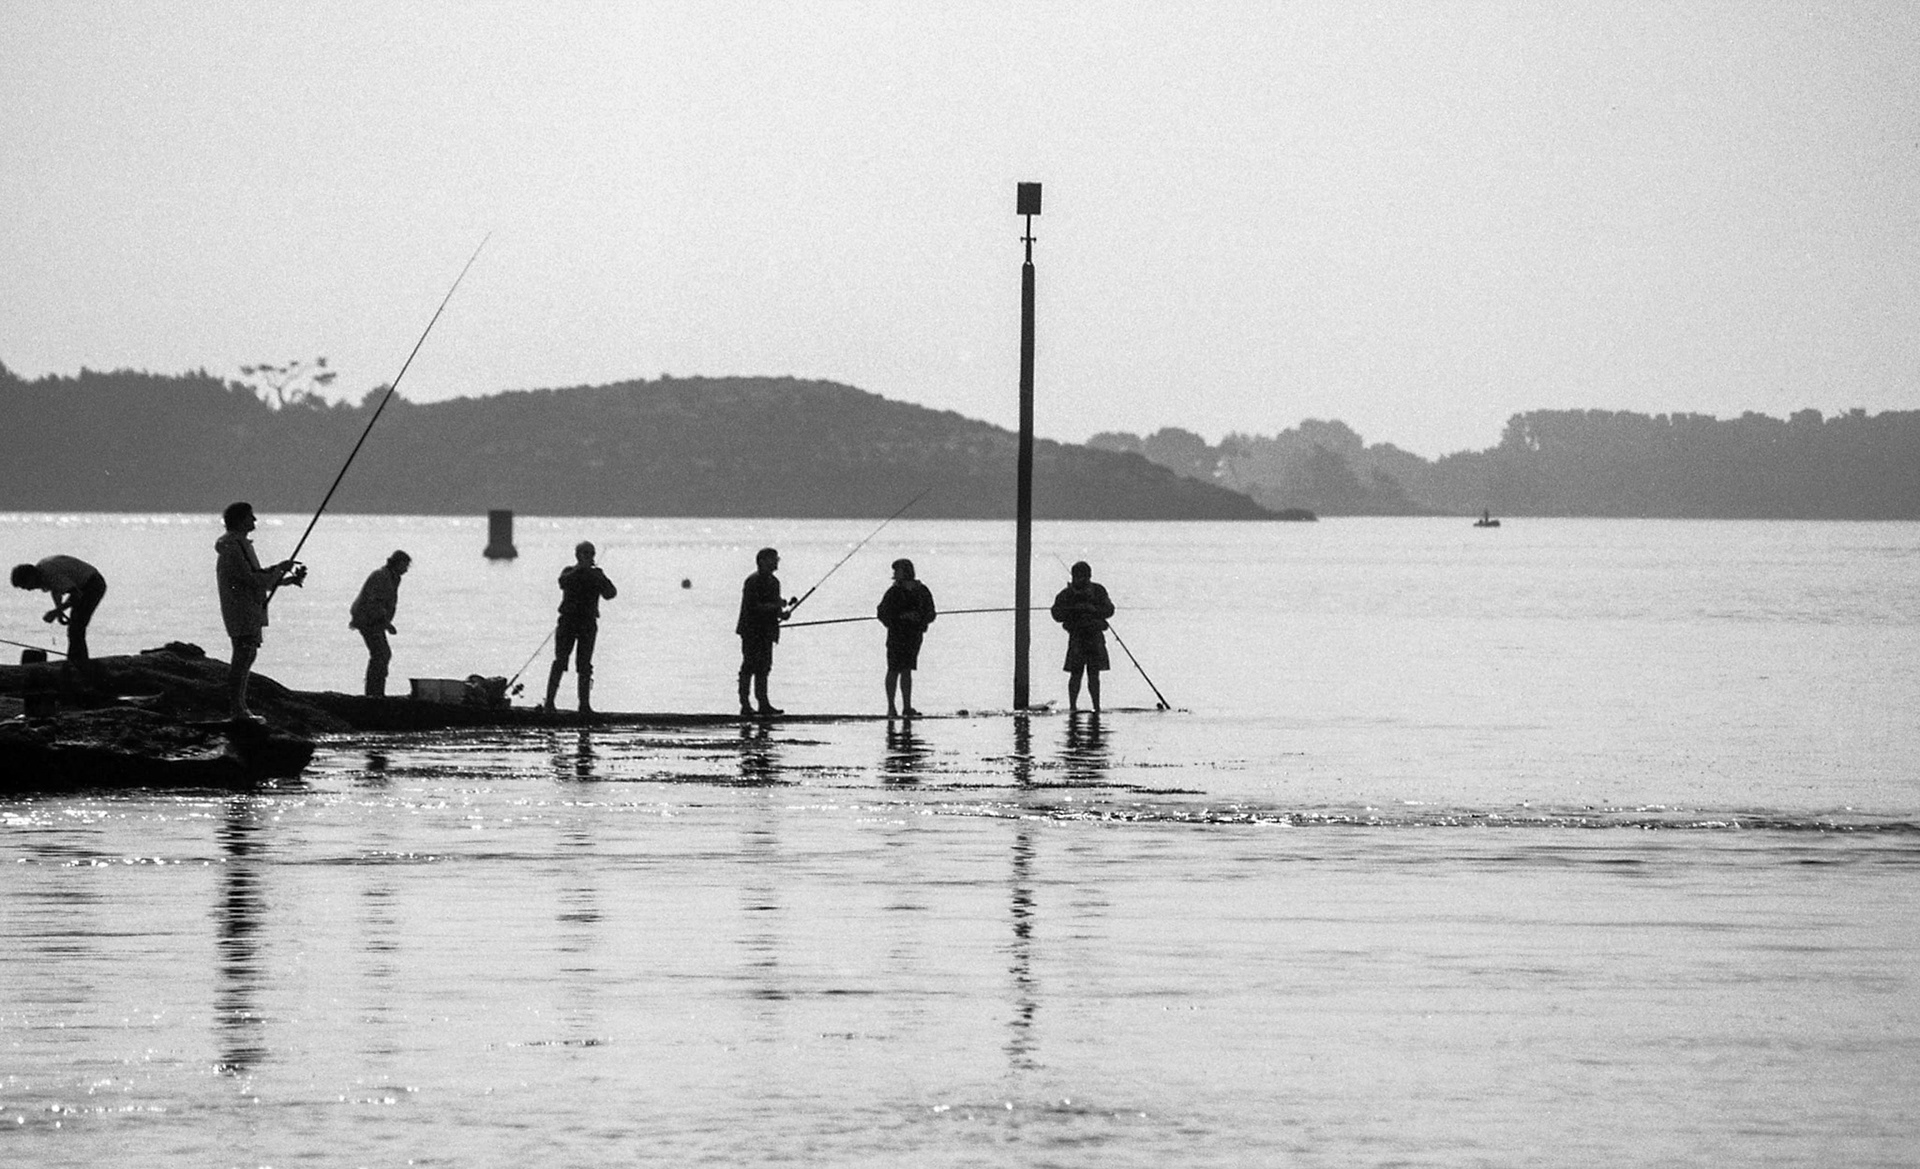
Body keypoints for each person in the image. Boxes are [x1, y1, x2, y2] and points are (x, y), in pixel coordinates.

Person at [215, 502, 305, 720]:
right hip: (242, 611)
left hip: (247, 609)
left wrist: (284, 578)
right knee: (243, 655)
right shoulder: (234, 547)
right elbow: (254, 579)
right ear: (239, 520)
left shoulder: (239, 545)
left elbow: (254, 576)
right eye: (250, 516)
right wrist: (279, 569)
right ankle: (238, 709)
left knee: (247, 654)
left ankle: (240, 707)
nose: (254, 520)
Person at [543, 541, 617, 715]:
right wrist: (580, 569)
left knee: (584, 665)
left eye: (591, 554)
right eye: (585, 554)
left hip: (587, 624)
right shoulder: (569, 571)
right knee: (560, 661)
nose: (589, 557)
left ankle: (584, 706)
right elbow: (563, 582)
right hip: (567, 622)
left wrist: (598, 577)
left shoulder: (597, 574)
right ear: (578, 555)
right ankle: (550, 703)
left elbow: (610, 594)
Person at [11, 555, 107, 664]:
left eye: (26, 586)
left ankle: (78, 662)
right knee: (75, 627)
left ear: (30, 577)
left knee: (76, 627)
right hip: (81, 586)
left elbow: (76, 595)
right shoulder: (43, 572)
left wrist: (55, 612)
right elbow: (56, 590)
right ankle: (76, 659)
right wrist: (59, 611)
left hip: (93, 584)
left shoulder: (49, 573)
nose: (28, 589)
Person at [1050, 560, 1115, 714]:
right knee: (1075, 674)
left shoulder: (1098, 591)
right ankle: (1073, 706)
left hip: (1095, 637)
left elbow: (1110, 610)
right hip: (1077, 638)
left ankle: (1096, 707)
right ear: (1073, 576)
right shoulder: (1066, 594)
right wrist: (1073, 609)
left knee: (1094, 675)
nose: (1080, 580)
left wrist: (1093, 609)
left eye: (1083, 576)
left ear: (1089, 576)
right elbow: (1056, 614)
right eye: (1077, 576)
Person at [736, 547, 794, 717]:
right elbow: (753, 607)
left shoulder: (775, 583)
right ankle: (745, 705)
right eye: (773, 559)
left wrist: (783, 613)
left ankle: (763, 704)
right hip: (751, 631)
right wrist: (776, 607)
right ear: (762, 561)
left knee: (764, 667)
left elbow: (773, 608)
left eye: (777, 559)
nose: (776, 562)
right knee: (749, 666)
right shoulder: (752, 581)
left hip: (767, 631)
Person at [876, 557, 936, 718]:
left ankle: (907, 707)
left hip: (913, 636)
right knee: (893, 669)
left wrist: (918, 618)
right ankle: (891, 707)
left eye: (897, 570)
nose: (895, 574)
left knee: (907, 670)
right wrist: (900, 618)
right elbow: (882, 613)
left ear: (906, 571)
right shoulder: (893, 592)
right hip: (896, 635)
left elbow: (931, 613)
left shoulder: (921, 590)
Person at [348, 550, 411, 697]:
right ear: (397, 563)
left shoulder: (393, 577)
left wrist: (385, 622)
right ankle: (373, 692)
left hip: (376, 620)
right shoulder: (381, 576)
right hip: (367, 618)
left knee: (381, 654)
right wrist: (386, 623)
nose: (406, 569)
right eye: (405, 565)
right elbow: (374, 602)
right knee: (381, 654)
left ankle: (376, 691)